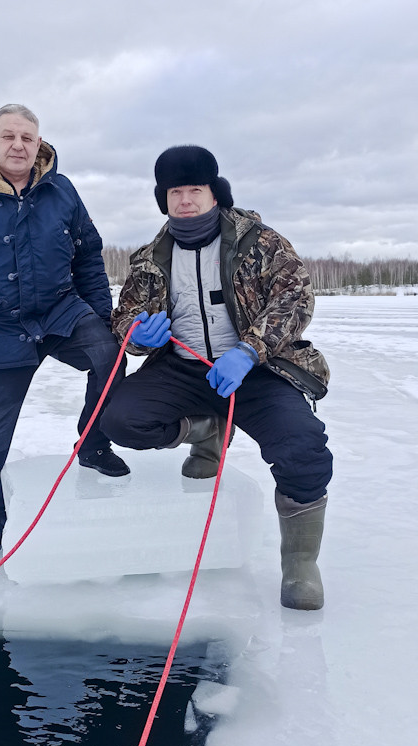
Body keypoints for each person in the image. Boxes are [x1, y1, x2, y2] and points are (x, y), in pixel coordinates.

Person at [101, 145, 333, 610]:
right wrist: (139, 335)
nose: (185, 200)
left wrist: (249, 351)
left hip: (256, 368)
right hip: (182, 369)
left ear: (214, 192)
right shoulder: (151, 256)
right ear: (163, 198)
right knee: (120, 421)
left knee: (303, 450)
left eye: (195, 189)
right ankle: (210, 429)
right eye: (175, 192)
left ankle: (301, 563)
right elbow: (123, 316)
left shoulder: (260, 242)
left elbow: (296, 299)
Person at [0, 104, 129, 555]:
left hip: (60, 311)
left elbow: (89, 256)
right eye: (9, 136)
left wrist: (102, 316)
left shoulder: (62, 191)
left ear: (39, 144)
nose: (18, 145)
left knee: (109, 357)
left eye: (27, 138)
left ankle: (92, 444)